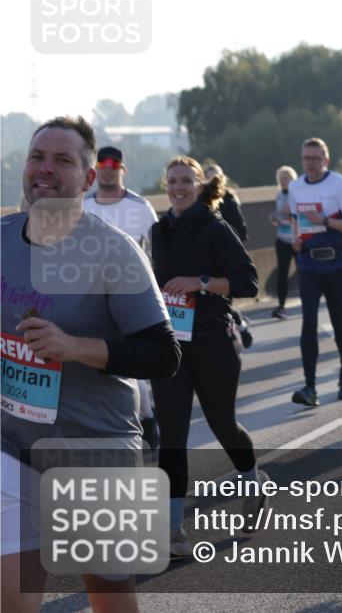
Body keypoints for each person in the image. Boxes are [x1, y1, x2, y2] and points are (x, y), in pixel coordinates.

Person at [2, 116, 180, 613]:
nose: (45, 169)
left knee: (109, 595)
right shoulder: (1, 238)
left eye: (62, 161)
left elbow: (164, 355)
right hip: (12, 449)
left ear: (85, 178)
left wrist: (74, 346)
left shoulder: (113, 252)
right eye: (38, 157)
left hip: (94, 448)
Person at [150, 155, 266, 558]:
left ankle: (251, 480)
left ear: (199, 186)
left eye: (186, 180)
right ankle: (173, 529)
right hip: (171, 347)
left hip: (214, 340)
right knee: (172, 436)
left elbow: (248, 282)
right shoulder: (157, 230)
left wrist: (199, 283)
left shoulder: (216, 228)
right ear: (165, 187)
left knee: (222, 425)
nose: (179, 187)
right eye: (172, 181)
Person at [83, 145, 162, 450]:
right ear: (95, 169)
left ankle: (146, 418)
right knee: (97, 360)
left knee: (135, 362)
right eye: (102, 163)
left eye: (113, 164)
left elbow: (157, 250)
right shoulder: (84, 205)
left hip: (133, 294)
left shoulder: (140, 207)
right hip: (92, 295)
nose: (107, 168)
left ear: (122, 170)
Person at [287, 138, 342, 406]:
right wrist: (296, 239)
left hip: (337, 262)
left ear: (326, 160)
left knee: (337, 319)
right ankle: (310, 386)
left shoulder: (339, 183)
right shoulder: (295, 186)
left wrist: (327, 221)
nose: (311, 163)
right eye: (306, 158)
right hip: (308, 263)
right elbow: (296, 219)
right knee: (308, 321)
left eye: (316, 158)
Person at [203, 163, 253, 349]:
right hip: (205, 265)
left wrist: (226, 245)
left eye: (215, 176)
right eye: (208, 176)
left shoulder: (230, 202)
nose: (212, 180)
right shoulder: (197, 203)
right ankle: (239, 325)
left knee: (223, 304)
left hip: (225, 263)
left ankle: (233, 340)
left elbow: (242, 231)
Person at [269, 166, 298, 319]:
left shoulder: (299, 194)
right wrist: (275, 218)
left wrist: (290, 211)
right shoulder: (279, 195)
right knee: (282, 273)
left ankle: (308, 300)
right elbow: (279, 214)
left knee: (304, 271)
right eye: (281, 179)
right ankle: (281, 306)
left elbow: (299, 212)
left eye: (286, 178)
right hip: (282, 238)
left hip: (298, 238)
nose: (284, 182)